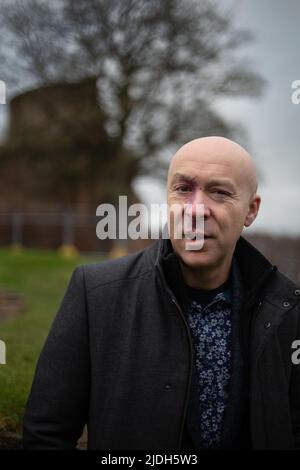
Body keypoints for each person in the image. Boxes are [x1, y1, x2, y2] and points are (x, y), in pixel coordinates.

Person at [23, 136, 300, 450]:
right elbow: (46, 434)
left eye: (219, 192)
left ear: (251, 210)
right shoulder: (96, 294)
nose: (196, 210)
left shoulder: (288, 308)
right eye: (183, 189)